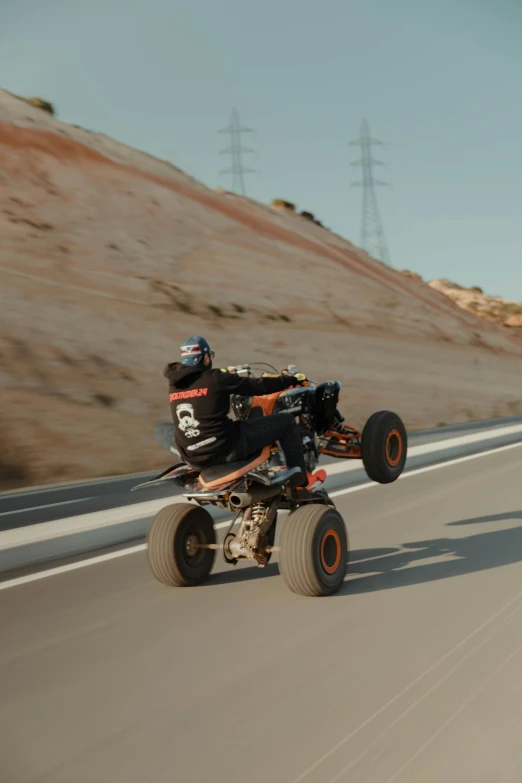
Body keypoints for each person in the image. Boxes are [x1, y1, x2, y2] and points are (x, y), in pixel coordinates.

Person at [160, 336, 325, 489]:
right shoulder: (216, 378)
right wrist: (291, 379)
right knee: (287, 422)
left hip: (192, 456)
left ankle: (192, 471)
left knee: (162, 429)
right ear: (205, 358)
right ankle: (301, 481)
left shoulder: (174, 384)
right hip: (225, 449)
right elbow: (258, 386)